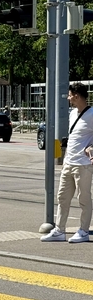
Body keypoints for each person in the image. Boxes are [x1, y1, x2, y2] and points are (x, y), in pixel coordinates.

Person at [41, 82, 93, 243]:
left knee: (84, 198)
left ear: (77, 96)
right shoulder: (72, 114)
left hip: (83, 164)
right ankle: (59, 230)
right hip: (69, 163)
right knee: (62, 197)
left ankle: (83, 231)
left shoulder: (91, 114)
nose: (68, 98)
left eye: (70, 95)